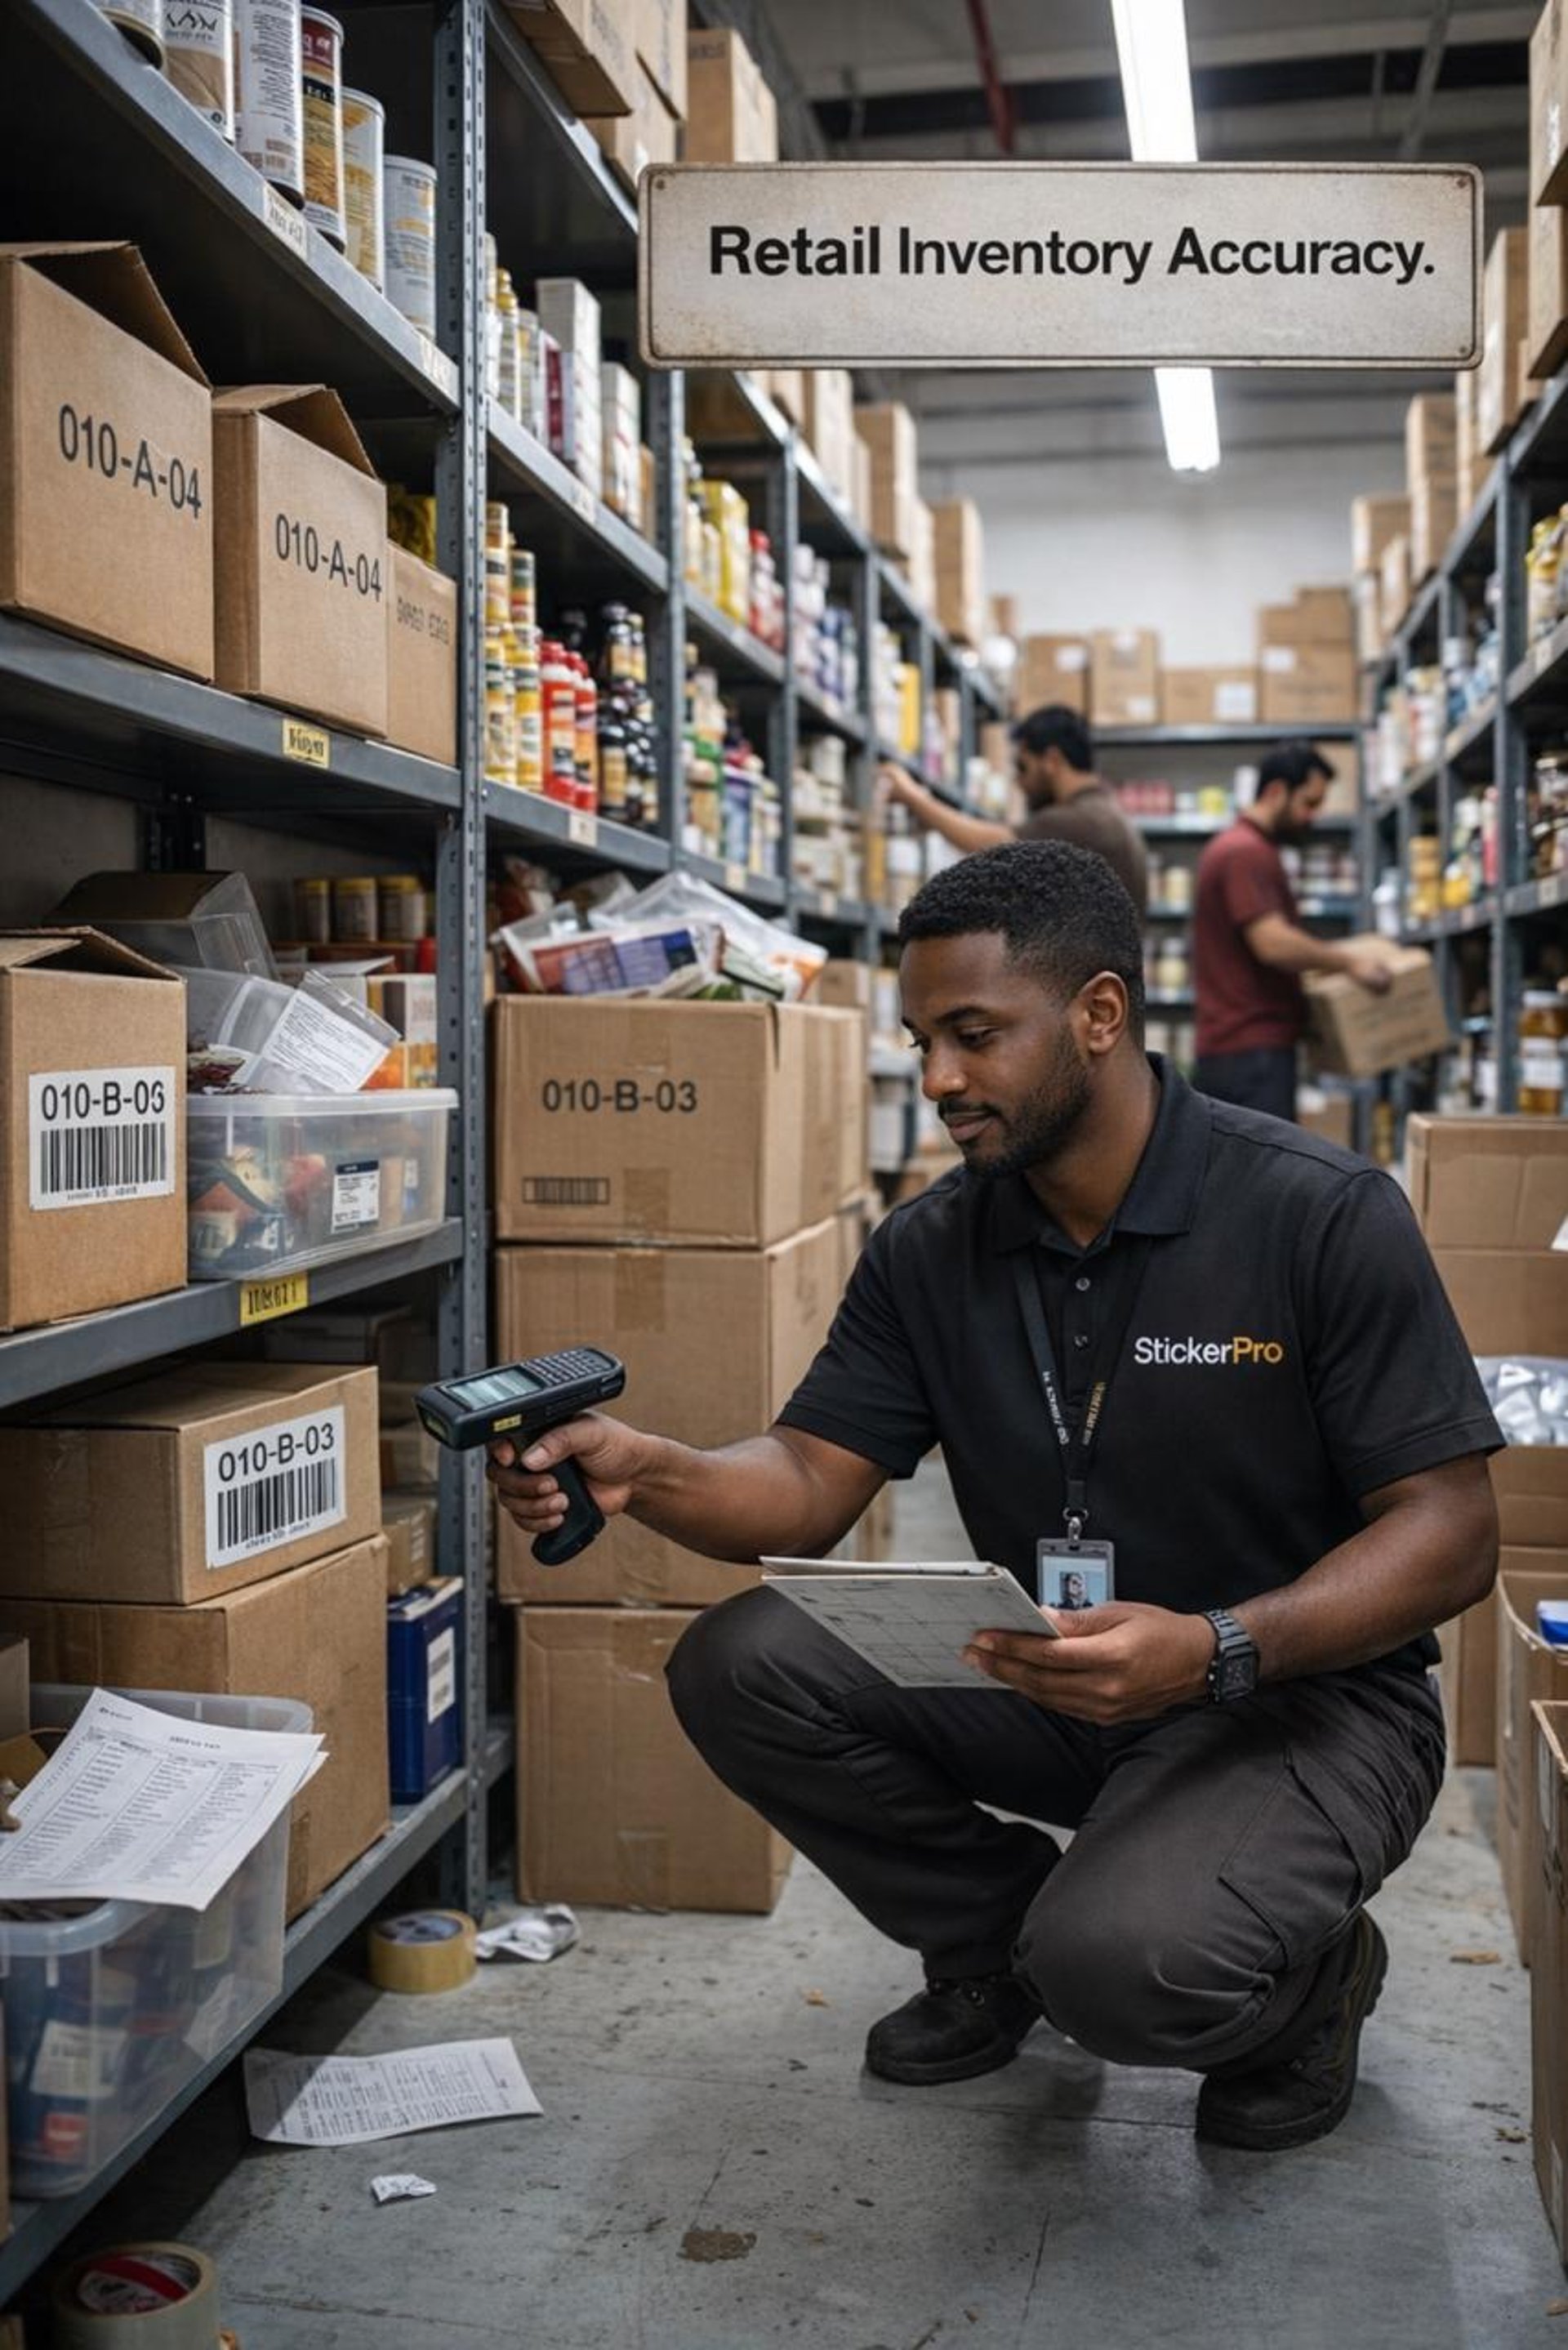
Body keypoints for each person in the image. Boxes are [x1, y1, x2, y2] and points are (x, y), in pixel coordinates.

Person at [490, 839, 1499, 2154]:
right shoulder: (932, 1244)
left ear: (1099, 1014)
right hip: (1063, 1666)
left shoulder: (1316, 1213)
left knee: (1124, 1967)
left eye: (975, 1034)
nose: (943, 1080)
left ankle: (1310, 1988)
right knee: (745, 1664)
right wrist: (651, 1470)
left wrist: (1214, 1650)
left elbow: (1451, 1528)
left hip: (1301, 1698)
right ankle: (993, 1941)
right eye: (923, 1041)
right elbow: (805, 1482)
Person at [1193, 740, 1395, 1123]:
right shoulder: (1244, 851)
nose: (1312, 817)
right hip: (1250, 1054)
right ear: (1275, 792)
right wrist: (1351, 964)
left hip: (1243, 1051)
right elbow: (1271, 943)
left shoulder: (1244, 848)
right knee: (1261, 1180)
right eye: (1309, 803)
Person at [880, 703, 1148, 913]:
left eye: (1023, 767)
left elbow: (988, 844)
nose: (1019, 782)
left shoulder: (1081, 820)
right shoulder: (1105, 811)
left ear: (1052, 761)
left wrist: (912, 797)